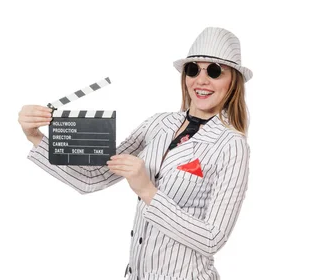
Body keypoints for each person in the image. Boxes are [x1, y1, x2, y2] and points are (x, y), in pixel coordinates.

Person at [18, 27, 251, 279]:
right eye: (193, 69)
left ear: (233, 81)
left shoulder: (231, 145)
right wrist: (36, 137)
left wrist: (147, 191)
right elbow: (92, 177)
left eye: (215, 71)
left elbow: (212, 238)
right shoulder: (158, 124)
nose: (201, 80)